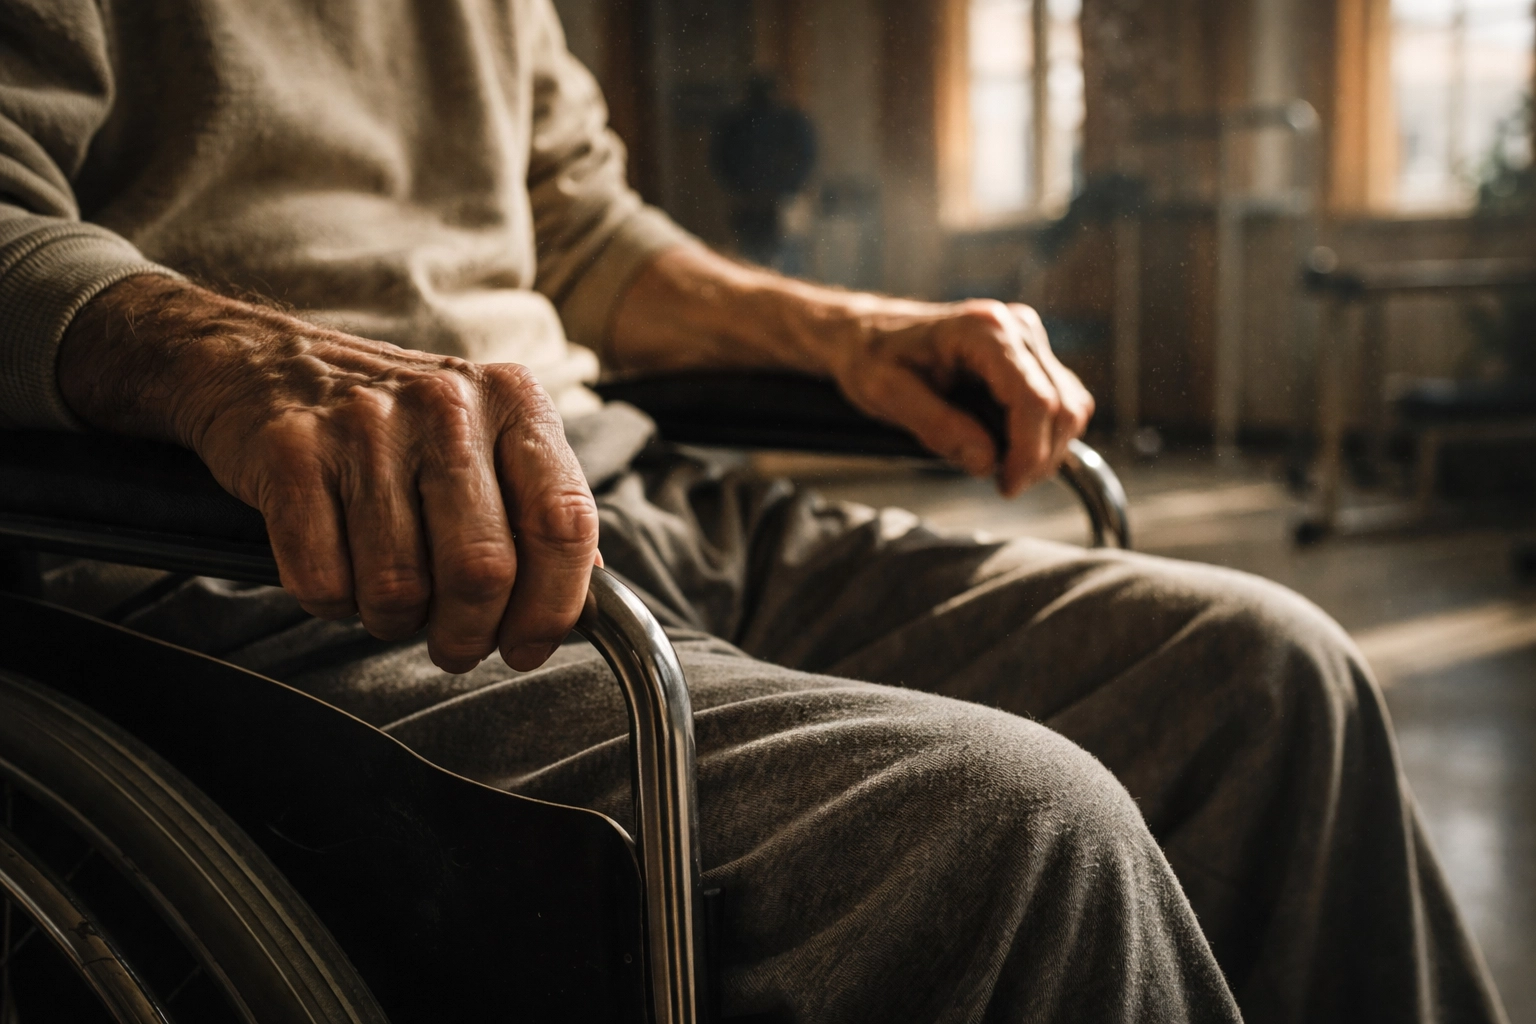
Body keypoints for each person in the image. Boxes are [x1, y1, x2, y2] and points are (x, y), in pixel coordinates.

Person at [0, 2, 1508, 1021]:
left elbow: (578, 224)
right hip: (283, 552)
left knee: (1272, 677)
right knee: (1015, 832)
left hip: (616, 477)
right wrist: (232, 361)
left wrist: (843, 328)